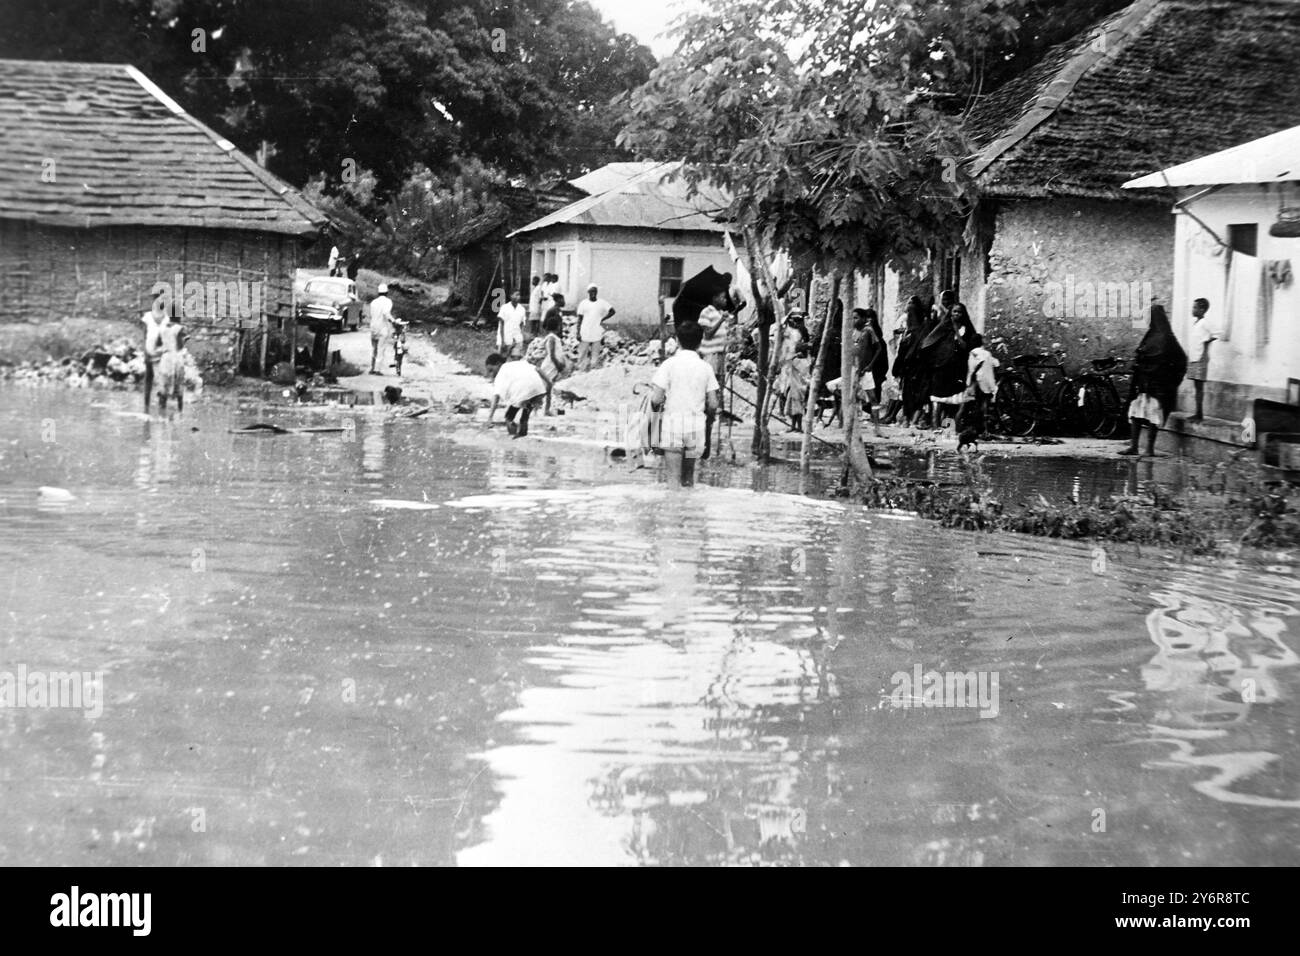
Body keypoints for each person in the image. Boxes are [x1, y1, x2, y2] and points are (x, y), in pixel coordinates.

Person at [650, 320, 720, 488]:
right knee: (688, 479)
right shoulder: (706, 367)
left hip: (673, 427)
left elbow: (656, 399)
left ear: (678, 340)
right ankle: (689, 514)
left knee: (673, 481)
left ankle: (673, 511)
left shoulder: (668, 364)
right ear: (700, 341)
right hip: (695, 428)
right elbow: (713, 404)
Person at [1121, 303, 1187, 457]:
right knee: (1135, 413)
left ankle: (1149, 448)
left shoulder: (1167, 338)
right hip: (1143, 382)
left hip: (1157, 384)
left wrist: (1167, 378)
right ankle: (1134, 446)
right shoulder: (1150, 335)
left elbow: (1179, 359)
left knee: (1152, 415)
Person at [922, 296, 977, 428]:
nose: (956, 314)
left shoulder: (966, 329)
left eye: (959, 312)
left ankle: (949, 428)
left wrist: (956, 331)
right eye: (954, 312)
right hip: (941, 369)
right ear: (950, 313)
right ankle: (936, 428)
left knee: (953, 400)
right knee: (938, 399)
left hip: (957, 369)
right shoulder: (942, 328)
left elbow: (965, 347)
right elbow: (929, 343)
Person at [486, 352, 548, 439]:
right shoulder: (517, 363)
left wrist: (490, 417)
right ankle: (522, 432)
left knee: (509, 417)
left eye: (491, 370)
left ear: (498, 364)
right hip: (538, 389)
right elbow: (538, 369)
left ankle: (512, 439)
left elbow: (496, 397)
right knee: (525, 413)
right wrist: (549, 383)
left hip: (524, 392)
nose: (491, 374)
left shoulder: (501, 373)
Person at [525, 310, 569, 415]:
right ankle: (533, 408)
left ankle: (546, 410)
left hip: (553, 365)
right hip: (550, 365)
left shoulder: (555, 338)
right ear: (557, 327)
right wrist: (558, 365)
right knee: (544, 388)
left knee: (548, 388)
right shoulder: (551, 338)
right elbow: (552, 354)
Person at [854, 307, 889, 423]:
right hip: (861, 368)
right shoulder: (857, 332)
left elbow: (880, 350)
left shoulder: (872, 332)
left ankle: (875, 421)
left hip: (874, 368)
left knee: (874, 395)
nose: (869, 320)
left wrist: (871, 365)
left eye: (871, 318)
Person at [1187, 297, 1217, 422]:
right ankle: (1197, 412)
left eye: (1195, 307)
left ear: (1202, 309)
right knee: (1196, 386)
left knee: (1199, 387)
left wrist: (1206, 342)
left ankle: (1200, 414)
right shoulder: (1196, 323)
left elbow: (1217, 333)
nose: (1192, 310)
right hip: (1194, 356)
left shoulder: (1205, 323)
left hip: (1201, 357)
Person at [575, 284, 616, 371]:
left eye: (595, 291)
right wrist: (578, 332)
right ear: (588, 292)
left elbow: (612, 311)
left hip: (596, 332)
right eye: (591, 291)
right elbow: (579, 319)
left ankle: (592, 372)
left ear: (597, 292)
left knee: (595, 354)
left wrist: (603, 319)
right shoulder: (583, 303)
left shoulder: (602, 302)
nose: (593, 293)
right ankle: (581, 372)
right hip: (585, 332)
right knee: (582, 354)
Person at [156, 316, 186, 414]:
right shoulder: (179, 328)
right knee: (179, 383)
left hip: (165, 358)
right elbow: (180, 346)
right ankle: (180, 412)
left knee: (164, 384)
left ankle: (161, 412)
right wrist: (185, 339)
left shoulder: (162, 328)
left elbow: (158, 344)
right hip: (176, 358)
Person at [140, 305, 164, 412]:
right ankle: (146, 405)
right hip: (149, 349)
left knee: (162, 378)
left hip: (161, 350)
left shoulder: (167, 317)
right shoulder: (148, 316)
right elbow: (145, 335)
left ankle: (162, 406)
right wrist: (145, 350)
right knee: (149, 376)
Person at [369, 283, 395, 374]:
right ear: (387, 292)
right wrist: (393, 320)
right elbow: (386, 313)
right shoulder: (388, 301)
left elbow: (371, 315)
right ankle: (378, 369)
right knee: (381, 348)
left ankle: (372, 368)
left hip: (373, 327)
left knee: (374, 349)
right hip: (382, 327)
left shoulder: (373, 302)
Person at [496, 290, 527, 359]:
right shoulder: (504, 307)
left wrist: (520, 338)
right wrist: (502, 341)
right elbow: (501, 325)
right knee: (502, 359)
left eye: (519, 295)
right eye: (516, 295)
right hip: (505, 338)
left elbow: (522, 325)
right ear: (511, 296)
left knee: (515, 360)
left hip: (516, 339)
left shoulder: (522, 309)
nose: (518, 297)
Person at [526, 275, 544, 340]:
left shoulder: (539, 288)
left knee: (535, 321)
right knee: (533, 320)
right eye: (532, 280)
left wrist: (539, 305)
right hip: (533, 307)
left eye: (534, 280)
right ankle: (533, 334)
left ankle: (535, 334)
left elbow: (541, 297)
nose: (532, 282)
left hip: (536, 307)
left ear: (537, 281)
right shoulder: (535, 288)